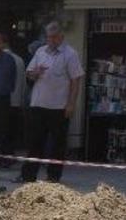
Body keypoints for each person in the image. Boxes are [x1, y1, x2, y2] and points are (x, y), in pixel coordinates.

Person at [19, 21, 84, 183]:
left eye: (55, 37)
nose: (51, 40)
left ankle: (53, 176)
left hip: (59, 106)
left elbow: (76, 80)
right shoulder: (41, 52)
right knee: (35, 142)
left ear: (61, 37)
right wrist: (35, 73)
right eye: (49, 37)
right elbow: (29, 74)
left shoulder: (70, 54)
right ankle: (28, 176)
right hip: (38, 104)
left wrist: (71, 104)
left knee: (57, 144)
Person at [3, 34, 27, 164]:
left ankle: (2, 158)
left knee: (1, 131)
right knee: (12, 131)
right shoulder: (19, 60)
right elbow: (23, 82)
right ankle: (10, 156)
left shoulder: (0, 59)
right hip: (16, 100)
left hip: (2, 101)